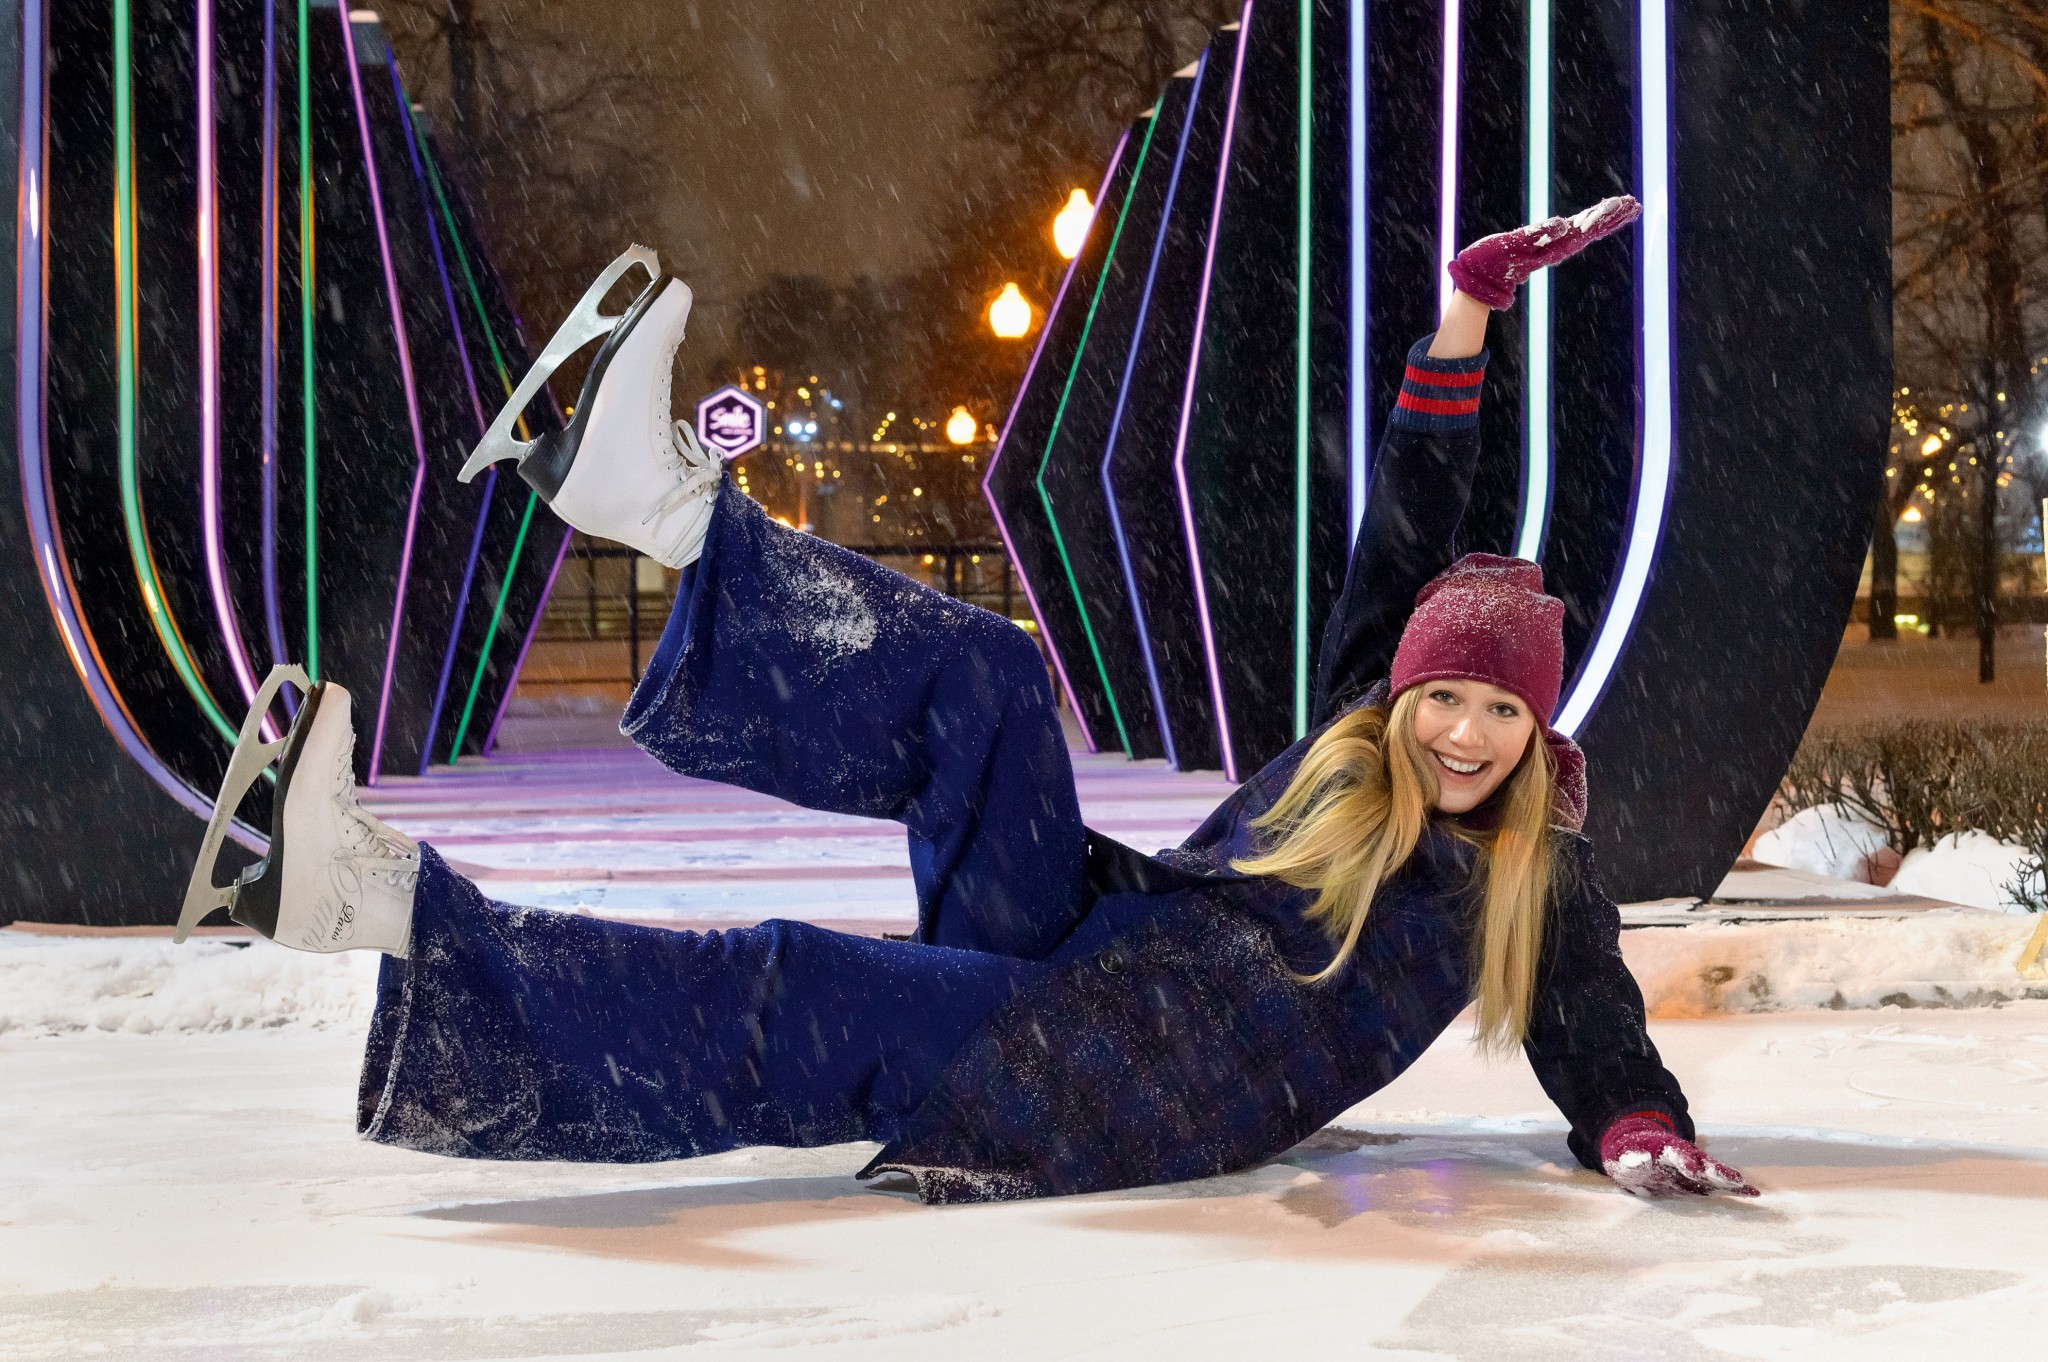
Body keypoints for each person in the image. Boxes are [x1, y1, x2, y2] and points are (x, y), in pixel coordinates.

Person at [177, 196, 1754, 1204]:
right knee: (993, 675)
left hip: (1134, 1074)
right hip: (1098, 931)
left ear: (1539, 730)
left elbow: (1599, 1037)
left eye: (1499, 713)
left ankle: (377, 904)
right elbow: (1407, 528)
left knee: (797, 988)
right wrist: (1465, 319)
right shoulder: (1364, 731)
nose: (1464, 731)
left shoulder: (1533, 875)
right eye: (1447, 695)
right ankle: (658, 505)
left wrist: (1639, 1126)